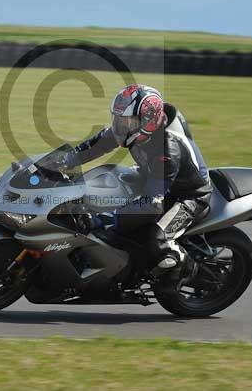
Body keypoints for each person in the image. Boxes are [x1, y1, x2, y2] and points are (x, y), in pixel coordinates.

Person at [64, 84, 212, 274]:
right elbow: (92, 148)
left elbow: (153, 205)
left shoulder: (168, 150)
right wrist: (58, 162)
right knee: (101, 190)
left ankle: (187, 267)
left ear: (148, 121)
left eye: (129, 121)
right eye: (119, 120)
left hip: (188, 196)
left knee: (157, 239)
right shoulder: (133, 132)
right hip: (153, 178)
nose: (122, 126)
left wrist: (110, 216)